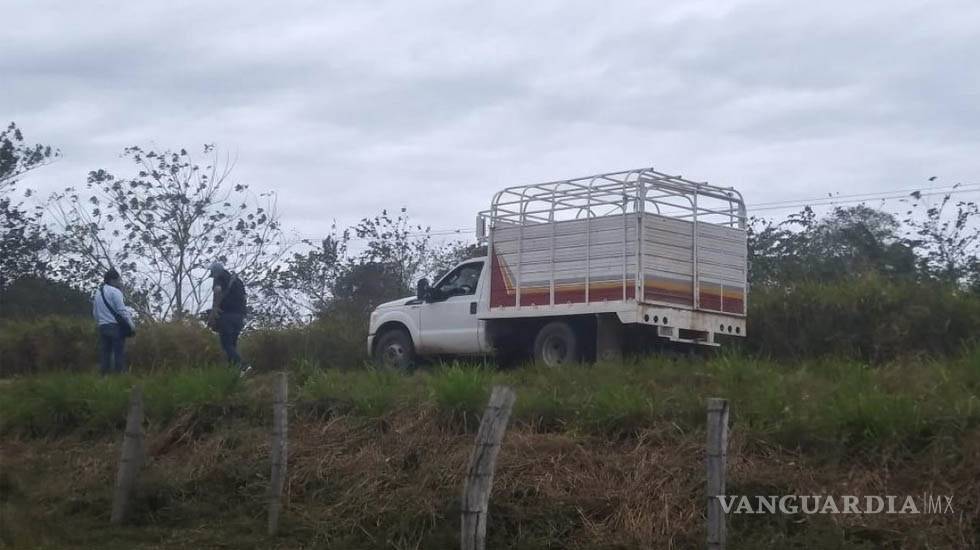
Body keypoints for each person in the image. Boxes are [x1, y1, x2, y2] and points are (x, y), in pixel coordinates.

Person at [206, 262, 252, 376]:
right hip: (239, 316)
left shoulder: (219, 278)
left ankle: (244, 365)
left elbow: (217, 292)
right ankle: (234, 372)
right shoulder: (237, 280)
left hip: (226, 316)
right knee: (232, 345)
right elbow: (244, 297)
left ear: (215, 272)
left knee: (226, 345)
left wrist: (214, 310)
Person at [92, 267, 135, 375]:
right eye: (118, 280)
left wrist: (100, 322)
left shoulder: (98, 293)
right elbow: (122, 311)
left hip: (102, 327)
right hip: (115, 327)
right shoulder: (115, 292)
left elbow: (95, 312)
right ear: (112, 280)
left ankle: (104, 378)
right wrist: (131, 325)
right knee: (118, 353)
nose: (119, 282)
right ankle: (119, 377)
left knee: (105, 354)